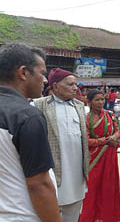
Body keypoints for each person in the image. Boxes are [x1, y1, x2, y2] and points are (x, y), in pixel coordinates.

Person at [0, 43, 61, 221]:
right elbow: (39, 184)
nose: (45, 80)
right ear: (23, 73)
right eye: (42, 73)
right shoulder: (27, 117)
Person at [33, 67, 90, 222]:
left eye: (76, 84)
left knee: (74, 211)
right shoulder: (38, 106)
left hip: (77, 172)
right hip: (54, 171)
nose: (75, 88)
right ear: (55, 86)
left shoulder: (80, 107)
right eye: (70, 84)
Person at [79, 89, 120, 221]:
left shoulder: (109, 115)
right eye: (97, 100)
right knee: (91, 188)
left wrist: (114, 137)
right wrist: (105, 141)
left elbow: (117, 131)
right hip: (93, 159)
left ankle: (107, 216)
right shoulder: (85, 119)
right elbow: (86, 141)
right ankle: (91, 217)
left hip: (109, 158)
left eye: (102, 99)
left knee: (108, 187)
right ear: (89, 102)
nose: (100, 102)